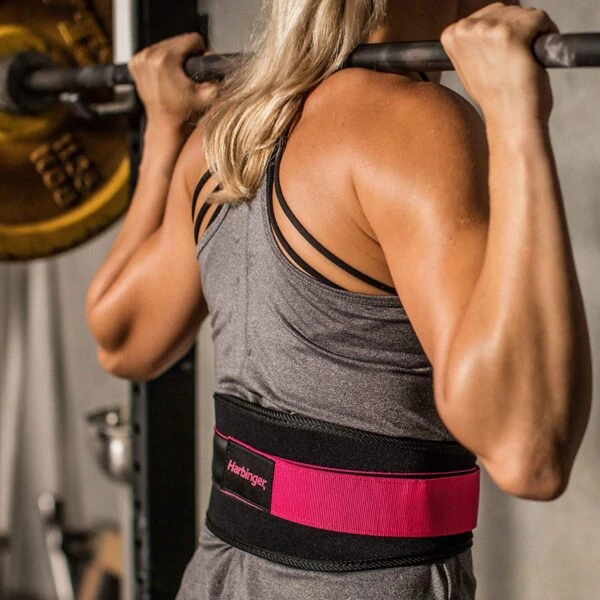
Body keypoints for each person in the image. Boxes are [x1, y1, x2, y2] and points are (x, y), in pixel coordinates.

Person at [86, 1, 592, 598]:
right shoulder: (410, 125)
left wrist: (164, 132)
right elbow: (527, 451)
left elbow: (121, 340)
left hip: (216, 579)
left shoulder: (220, 138)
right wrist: (515, 120)